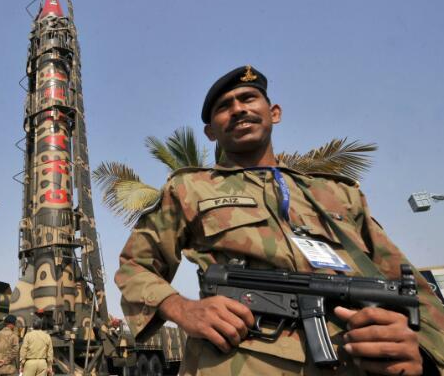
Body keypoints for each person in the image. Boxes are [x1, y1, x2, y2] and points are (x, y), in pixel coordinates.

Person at [115, 65, 444, 375]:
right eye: (224, 106)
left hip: (357, 361)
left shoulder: (337, 193)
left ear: (274, 113)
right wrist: (182, 309)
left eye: (248, 98)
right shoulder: (188, 189)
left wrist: (423, 356)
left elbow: (412, 290)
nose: (238, 109)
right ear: (210, 132)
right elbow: (134, 266)